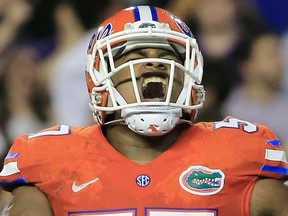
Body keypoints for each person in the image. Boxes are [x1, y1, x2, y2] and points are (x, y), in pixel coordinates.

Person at [0, 5, 287, 216]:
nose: (155, 64)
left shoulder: (238, 156)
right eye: (135, 56)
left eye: (167, 56)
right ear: (100, 75)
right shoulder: (51, 161)